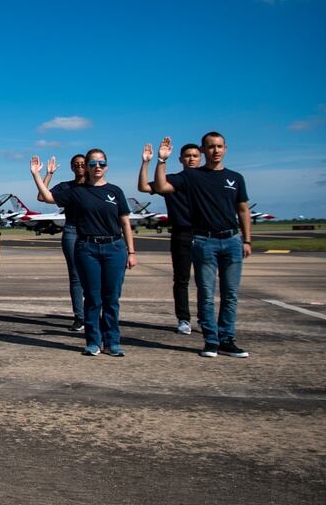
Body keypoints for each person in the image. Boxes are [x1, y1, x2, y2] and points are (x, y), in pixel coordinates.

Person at [151, 134, 251, 358]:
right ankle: (211, 340)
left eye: (219, 146)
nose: (215, 150)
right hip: (205, 241)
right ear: (203, 150)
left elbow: (243, 209)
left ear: (225, 148)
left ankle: (227, 339)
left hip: (233, 240)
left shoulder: (236, 178)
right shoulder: (192, 176)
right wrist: (161, 161)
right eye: (210, 147)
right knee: (206, 293)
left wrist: (246, 240)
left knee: (230, 294)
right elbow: (161, 185)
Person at [31, 149, 137, 357]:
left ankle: (112, 342)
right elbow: (47, 197)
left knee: (112, 298)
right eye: (93, 164)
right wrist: (37, 174)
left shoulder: (115, 191)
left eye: (101, 163)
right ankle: (93, 342)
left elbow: (125, 221)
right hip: (87, 247)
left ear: (106, 166)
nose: (97, 167)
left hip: (114, 248)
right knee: (92, 297)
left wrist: (131, 251)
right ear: (87, 167)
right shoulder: (76, 191)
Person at [138, 141, 202, 335]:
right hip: (181, 233)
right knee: (181, 278)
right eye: (188, 156)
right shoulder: (169, 180)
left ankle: (205, 317)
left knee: (205, 280)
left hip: (205, 233)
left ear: (200, 158)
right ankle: (183, 319)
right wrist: (147, 162)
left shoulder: (207, 180)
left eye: (195, 155)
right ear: (181, 159)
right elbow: (142, 187)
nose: (191, 159)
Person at [40, 154, 87, 332]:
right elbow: (42, 196)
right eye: (76, 164)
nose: (80, 167)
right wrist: (48, 174)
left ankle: (93, 314)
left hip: (92, 231)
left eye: (83, 164)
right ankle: (79, 317)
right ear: (71, 167)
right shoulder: (66, 187)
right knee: (75, 276)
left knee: (93, 276)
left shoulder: (94, 185)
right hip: (72, 231)